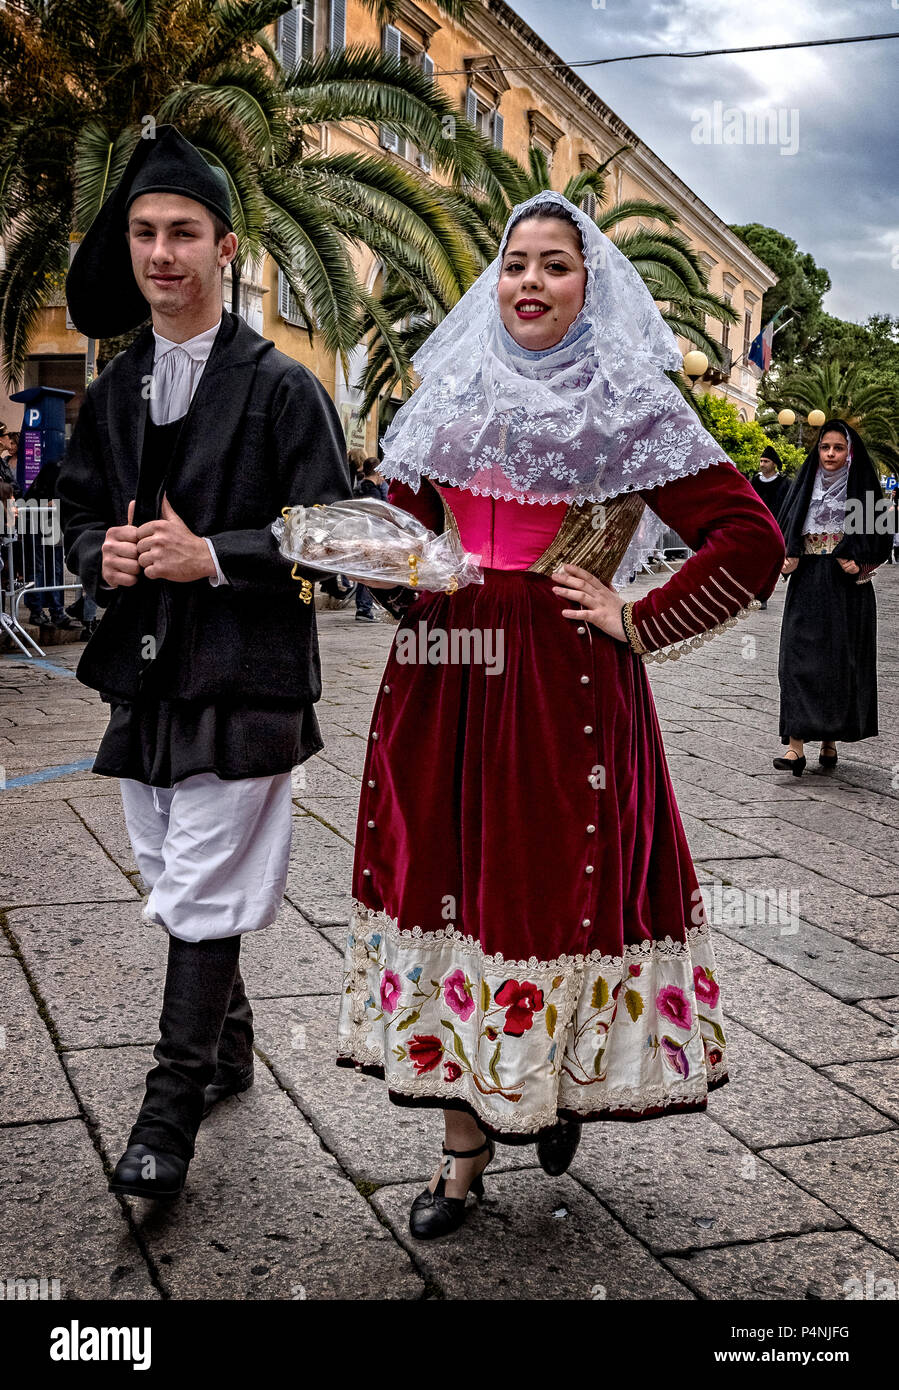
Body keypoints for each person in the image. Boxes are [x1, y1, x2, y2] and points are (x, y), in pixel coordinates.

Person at [335, 191, 785, 1239]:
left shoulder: (629, 406)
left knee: (543, 897)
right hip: (443, 679)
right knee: (446, 891)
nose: (529, 282)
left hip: (564, 690)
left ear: (591, 288)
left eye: (554, 265)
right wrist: (385, 567)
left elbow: (749, 539)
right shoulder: (447, 397)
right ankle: (459, 1155)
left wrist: (639, 618)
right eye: (513, 264)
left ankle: (548, 1087)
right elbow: (400, 542)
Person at [58, 125, 351, 1199]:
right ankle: (228, 1045)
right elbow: (85, 510)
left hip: (246, 669)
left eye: (183, 232)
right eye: (143, 232)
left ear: (227, 247)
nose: (161, 252)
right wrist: (108, 551)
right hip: (144, 668)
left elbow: (334, 532)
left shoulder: (282, 386)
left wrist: (213, 556)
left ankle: (167, 1114)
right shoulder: (116, 385)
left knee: (199, 887)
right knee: (166, 873)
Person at [773, 420, 891, 776]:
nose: (830, 454)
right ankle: (795, 747)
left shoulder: (863, 489)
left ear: (849, 452)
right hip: (807, 582)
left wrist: (861, 563)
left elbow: (882, 537)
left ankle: (829, 741)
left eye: (838, 448)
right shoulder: (804, 485)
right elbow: (784, 526)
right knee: (796, 660)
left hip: (845, 590)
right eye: (825, 447)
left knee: (839, 665)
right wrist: (787, 554)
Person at [750, 446, 791, 609]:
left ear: (774, 464)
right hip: (756, 528)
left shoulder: (785, 483)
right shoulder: (754, 481)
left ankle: (763, 596)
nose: (762, 464)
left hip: (776, 529)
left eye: (766, 461)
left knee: (769, 565)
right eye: (761, 461)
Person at [354, 457, 390, 624]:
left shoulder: (359, 487)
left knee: (365, 570)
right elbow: (379, 517)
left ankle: (363, 605)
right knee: (370, 571)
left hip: (360, 533)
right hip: (372, 535)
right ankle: (364, 607)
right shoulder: (374, 492)